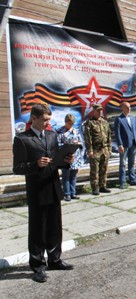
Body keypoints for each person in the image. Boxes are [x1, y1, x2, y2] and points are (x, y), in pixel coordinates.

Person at [12, 104, 74, 283]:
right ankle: (38, 266)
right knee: (38, 230)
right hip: (37, 190)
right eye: (45, 119)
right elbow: (17, 168)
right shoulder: (22, 139)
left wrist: (66, 161)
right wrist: (36, 164)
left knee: (55, 227)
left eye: (49, 119)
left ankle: (55, 260)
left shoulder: (52, 135)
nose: (49, 122)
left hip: (53, 186)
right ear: (34, 118)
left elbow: (56, 161)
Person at [84, 104, 112, 195]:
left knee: (104, 169)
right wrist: (90, 150)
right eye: (98, 110)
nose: (100, 112)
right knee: (94, 170)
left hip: (104, 150)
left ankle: (102, 186)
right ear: (94, 111)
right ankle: (95, 188)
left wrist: (109, 148)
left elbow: (109, 136)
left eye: (101, 110)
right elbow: (88, 138)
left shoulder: (105, 122)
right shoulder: (90, 123)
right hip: (95, 150)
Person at [115, 101, 136, 189]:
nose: (129, 109)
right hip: (124, 145)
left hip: (133, 144)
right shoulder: (119, 119)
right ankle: (122, 182)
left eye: (129, 107)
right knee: (123, 164)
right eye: (127, 107)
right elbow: (117, 133)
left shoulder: (133, 118)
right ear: (122, 108)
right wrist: (120, 145)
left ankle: (132, 180)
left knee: (132, 163)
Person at [56, 114, 83, 201]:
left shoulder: (76, 130)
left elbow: (80, 142)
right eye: (69, 124)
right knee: (66, 176)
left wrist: (77, 143)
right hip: (65, 157)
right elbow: (58, 144)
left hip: (75, 157)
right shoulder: (60, 131)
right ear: (65, 122)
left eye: (72, 124)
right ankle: (67, 194)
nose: (70, 126)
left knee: (73, 176)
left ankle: (73, 193)